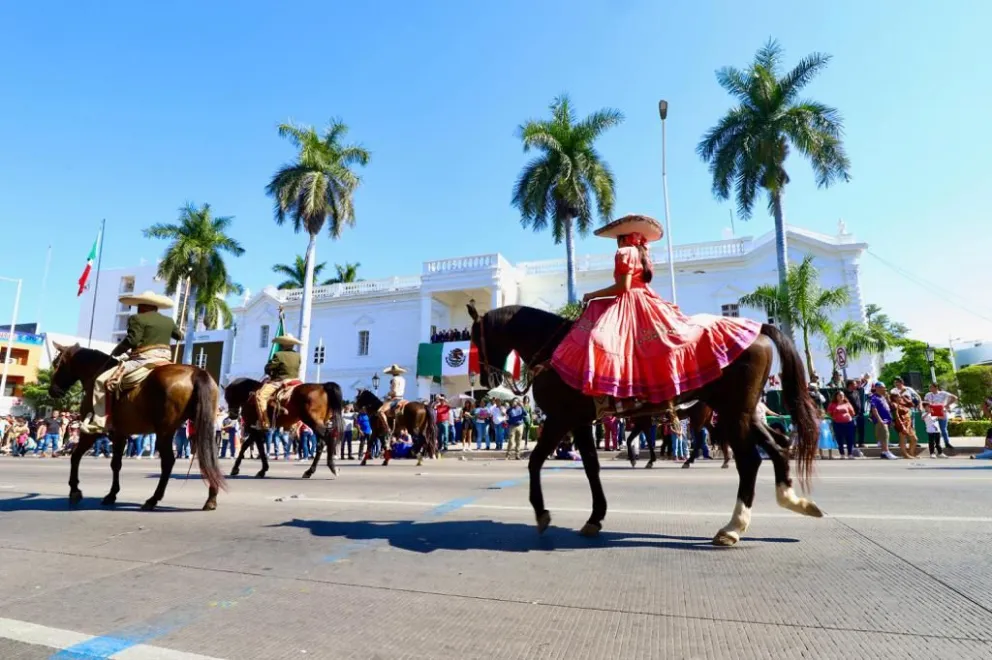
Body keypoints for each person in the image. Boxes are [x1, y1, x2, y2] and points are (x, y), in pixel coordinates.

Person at [549, 214, 761, 417]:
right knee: (647, 346)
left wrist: (591, 295)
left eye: (617, 238)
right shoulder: (642, 253)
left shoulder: (625, 253)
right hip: (646, 299)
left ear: (622, 237)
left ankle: (617, 398)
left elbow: (624, 286)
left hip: (631, 300)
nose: (616, 242)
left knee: (602, 340)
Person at [81, 291, 182, 434]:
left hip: (143, 358)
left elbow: (133, 340)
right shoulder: (168, 321)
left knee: (100, 381)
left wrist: (118, 350)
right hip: (165, 358)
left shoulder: (137, 318)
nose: (138, 308)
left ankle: (99, 422)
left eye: (139, 305)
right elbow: (179, 336)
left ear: (145, 306)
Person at [254, 334, 303, 430]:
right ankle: (294, 424)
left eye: (281, 343)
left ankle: (265, 423)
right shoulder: (298, 356)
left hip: (281, 381)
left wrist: (269, 369)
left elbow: (270, 367)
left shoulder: (279, 355)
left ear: (284, 345)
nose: (280, 345)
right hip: (296, 380)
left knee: (260, 396)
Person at [923, 383, 958, 451]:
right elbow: (925, 403)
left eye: (931, 387)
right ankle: (936, 444)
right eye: (929, 387)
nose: (930, 388)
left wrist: (947, 405)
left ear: (936, 387)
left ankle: (947, 443)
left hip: (942, 412)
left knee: (943, 428)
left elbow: (955, 397)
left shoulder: (943, 393)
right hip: (933, 412)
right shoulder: (928, 394)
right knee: (934, 429)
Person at [869, 382, 898, 460]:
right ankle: (887, 451)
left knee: (885, 437)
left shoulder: (883, 397)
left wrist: (891, 420)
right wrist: (880, 420)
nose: (885, 389)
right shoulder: (874, 397)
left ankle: (883, 453)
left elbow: (887, 408)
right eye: (883, 387)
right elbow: (874, 409)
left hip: (886, 420)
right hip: (881, 421)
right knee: (884, 436)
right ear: (877, 388)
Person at [376, 364, 407, 434]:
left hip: (395, 399)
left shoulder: (394, 379)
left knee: (380, 411)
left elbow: (394, 391)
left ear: (393, 373)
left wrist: (388, 394)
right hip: (402, 398)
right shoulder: (403, 379)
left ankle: (387, 428)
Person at [827, 390, 857, 459]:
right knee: (839, 439)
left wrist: (848, 417)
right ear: (836, 396)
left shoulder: (847, 403)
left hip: (848, 423)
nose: (841, 396)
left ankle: (850, 454)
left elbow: (853, 413)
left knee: (849, 438)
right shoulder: (832, 404)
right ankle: (842, 454)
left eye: (842, 395)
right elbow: (828, 413)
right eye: (839, 395)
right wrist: (834, 415)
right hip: (837, 424)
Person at [844, 379, 866, 456]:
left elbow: (863, 386)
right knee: (852, 430)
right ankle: (853, 444)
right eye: (854, 384)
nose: (856, 385)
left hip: (860, 414)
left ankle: (861, 442)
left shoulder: (856, 392)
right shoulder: (845, 394)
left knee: (861, 428)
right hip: (851, 415)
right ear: (850, 385)